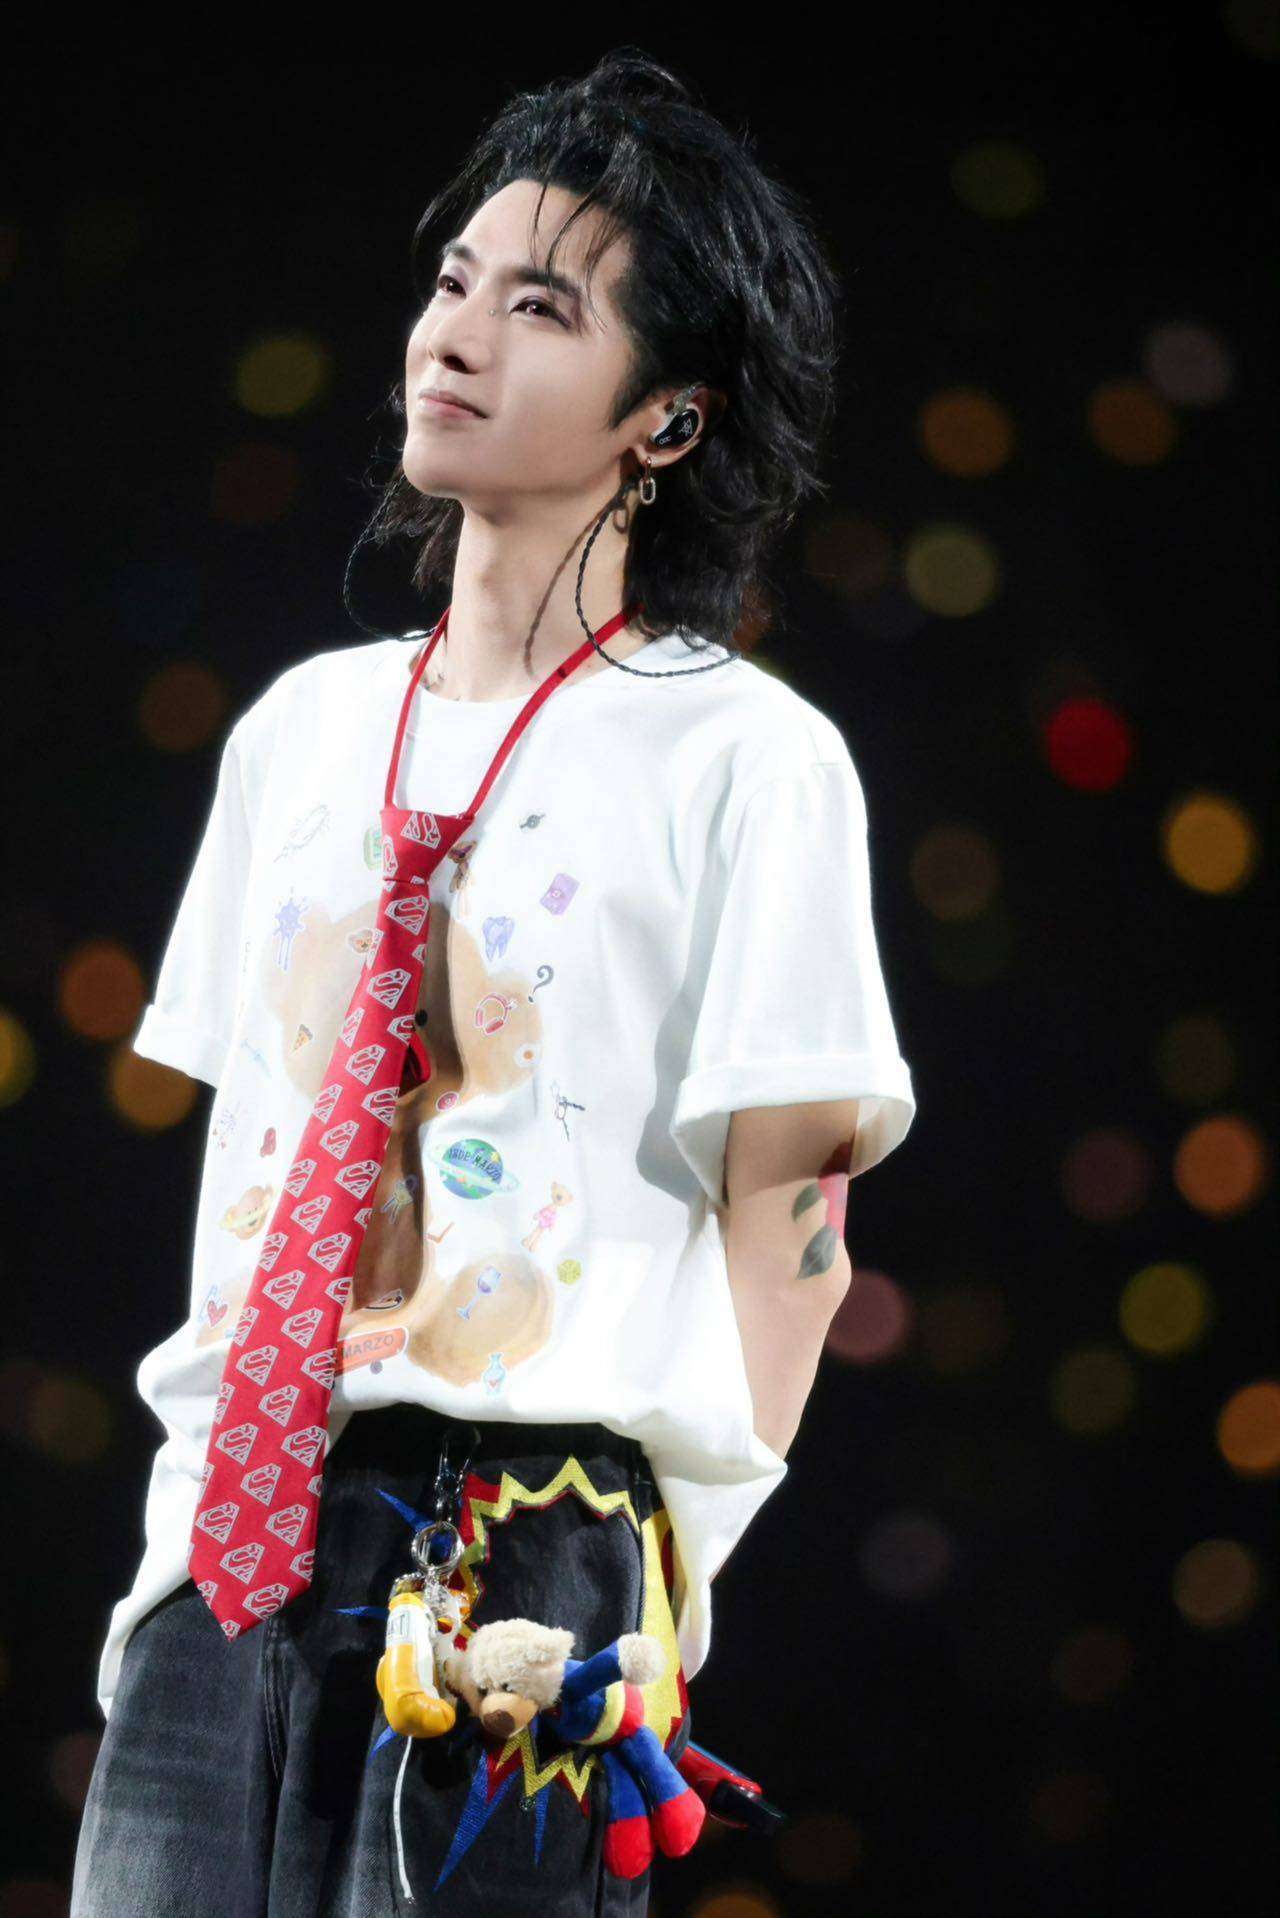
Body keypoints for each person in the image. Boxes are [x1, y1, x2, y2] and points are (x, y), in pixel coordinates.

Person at [71, 45, 917, 1918]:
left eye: (541, 307)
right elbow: (250, 1176)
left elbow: (792, 1225)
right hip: (227, 1541)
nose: (453, 335)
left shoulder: (747, 759)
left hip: (534, 1551)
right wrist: (184, 1532)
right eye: (453, 282)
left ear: (668, 417)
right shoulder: (299, 731)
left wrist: (659, 1585)